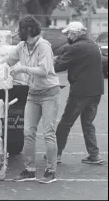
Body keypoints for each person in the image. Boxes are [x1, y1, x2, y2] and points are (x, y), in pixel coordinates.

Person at [0, 15, 60, 184]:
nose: (18, 33)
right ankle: (29, 170)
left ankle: (51, 171)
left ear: (29, 30)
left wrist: (23, 68)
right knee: (28, 132)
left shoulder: (43, 46)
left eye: (20, 29)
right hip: (33, 93)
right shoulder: (22, 46)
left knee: (48, 133)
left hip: (49, 93)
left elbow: (44, 70)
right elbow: (8, 61)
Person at [54, 22, 104, 165]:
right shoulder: (93, 45)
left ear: (75, 34)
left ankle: (56, 154)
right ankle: (94, 155)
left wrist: (46, 65)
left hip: (80, 92)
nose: (67, 36)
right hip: (96, 91)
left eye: (68, 33)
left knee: (65, 123)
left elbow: (58, 66)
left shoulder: (75, 47)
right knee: (88, 123)